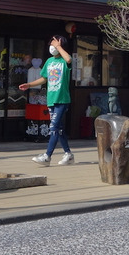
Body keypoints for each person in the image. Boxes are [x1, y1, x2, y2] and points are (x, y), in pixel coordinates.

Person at [19, 34, 75, 166]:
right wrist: (29, 85)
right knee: (59, 128)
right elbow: (44, 78)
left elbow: (68, 59)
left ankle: (47, 156)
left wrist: (59, 47)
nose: (52, 47)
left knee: (54, 127)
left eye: (55, 44)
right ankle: (68, 154)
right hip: (51, 99)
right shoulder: (49, 62)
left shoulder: (64, 61)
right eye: (51, 44)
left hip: (62, 99)